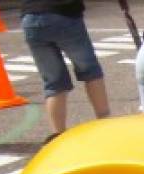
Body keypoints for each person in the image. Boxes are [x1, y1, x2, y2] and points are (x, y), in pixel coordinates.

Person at [20, 0, 110, 144]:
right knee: (90, 70)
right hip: (64, 13)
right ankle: (105, 121)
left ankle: (58, 135)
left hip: (31, 17)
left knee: (54, 82)